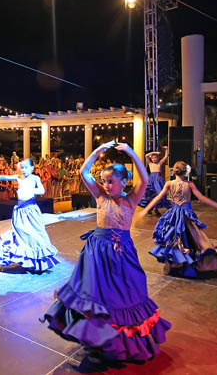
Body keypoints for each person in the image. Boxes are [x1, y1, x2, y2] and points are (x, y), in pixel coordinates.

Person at [43, 141, 170, 365]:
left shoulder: (131, 200)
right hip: (96, 252)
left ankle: (115, 339)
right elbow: (84, 173)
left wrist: (131, 152)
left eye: (111, 182)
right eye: (104, 181)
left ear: (124, 182)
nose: (107, 185)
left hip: (121, 253)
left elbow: (146, 179)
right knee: (94, 295)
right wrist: (96, 152)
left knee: (121, 295)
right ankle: (95, 337)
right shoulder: (101, 196)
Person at [139, 161, 217, 278]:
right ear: (186, 172)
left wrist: (145, 209)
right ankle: (188, 264)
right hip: (186, 215)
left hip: (173, 215)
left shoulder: (169, 183)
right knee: (194, 239)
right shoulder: (189, 184)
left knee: (175, 239)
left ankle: (177, 264)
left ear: (173, 171)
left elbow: (158, 198)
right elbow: (202, 198)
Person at [0, 158, 59, 272]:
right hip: (20, 211)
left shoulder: (35, 178)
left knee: (35, 235)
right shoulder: (19, 177)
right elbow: (6, 177)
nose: (24, 170)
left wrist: (31, 191)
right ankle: (27, 260)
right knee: (21, 235)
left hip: (31, 211)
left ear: (32, 168)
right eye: (22, 168)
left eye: (26, 167)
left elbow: (41, 190)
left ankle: (38, 261)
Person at [138, 146, 171, 216]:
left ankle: (156, 209)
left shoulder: (159, 164)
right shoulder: (150, 164)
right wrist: (154, 152)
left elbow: (166, 156)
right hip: (152, 181)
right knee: (150, 195)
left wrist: (167, 149)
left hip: (158, 181)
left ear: (157, 158)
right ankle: (149, 209)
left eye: (155, 157)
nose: (154, 159)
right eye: (152, 158)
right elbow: (146, 156)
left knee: (159, 194)